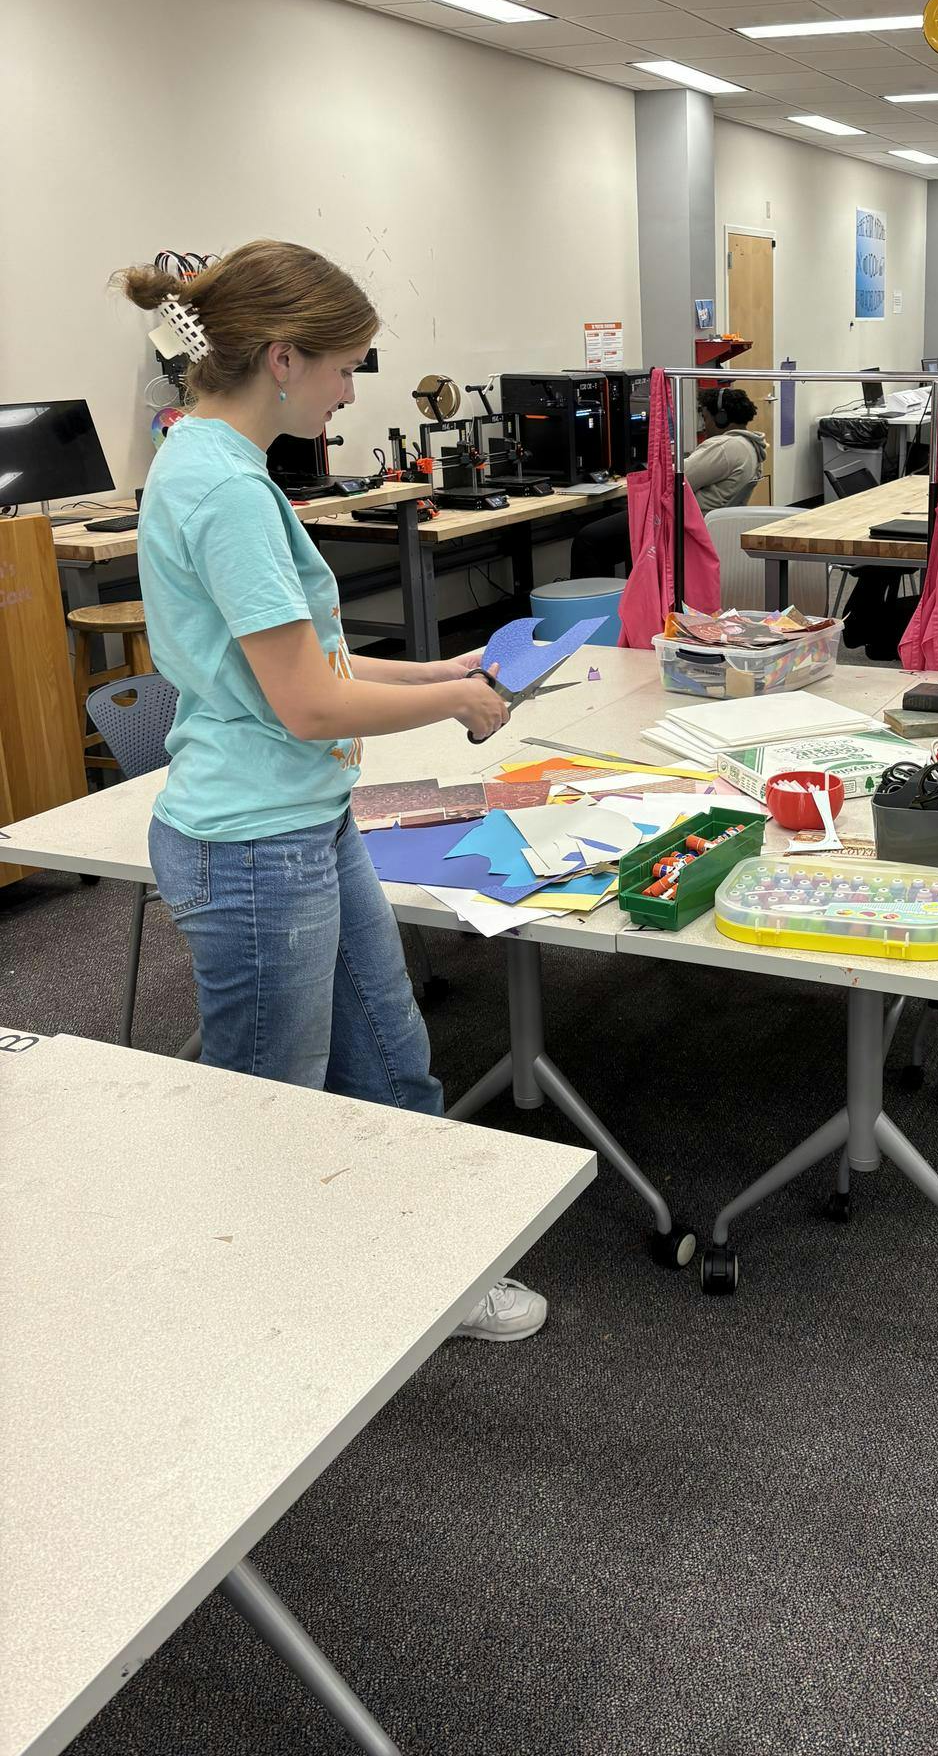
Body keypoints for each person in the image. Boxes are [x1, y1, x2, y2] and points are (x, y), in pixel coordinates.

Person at [118, 240, 544, 1343]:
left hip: (301, 820)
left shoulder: (210, 457)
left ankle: (428, 1272)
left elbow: (315, 665)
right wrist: (453, 706)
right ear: (281, 358)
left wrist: (443, 670)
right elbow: (308, 703)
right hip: (253, 843)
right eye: (346, 367)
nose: (352, 392)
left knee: (391, 1062)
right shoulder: (224, 488)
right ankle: (269, 1336)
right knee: (275, 1113)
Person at [570, 384, 769, 578]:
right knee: (613, 531)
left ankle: (599, 599)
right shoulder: (749, 446)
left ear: (721, 418)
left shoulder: (725, 447)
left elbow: (672, 481)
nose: (704, 426)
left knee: (588, 539)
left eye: (705, 418)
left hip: (677, 525)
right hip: (694, 524)